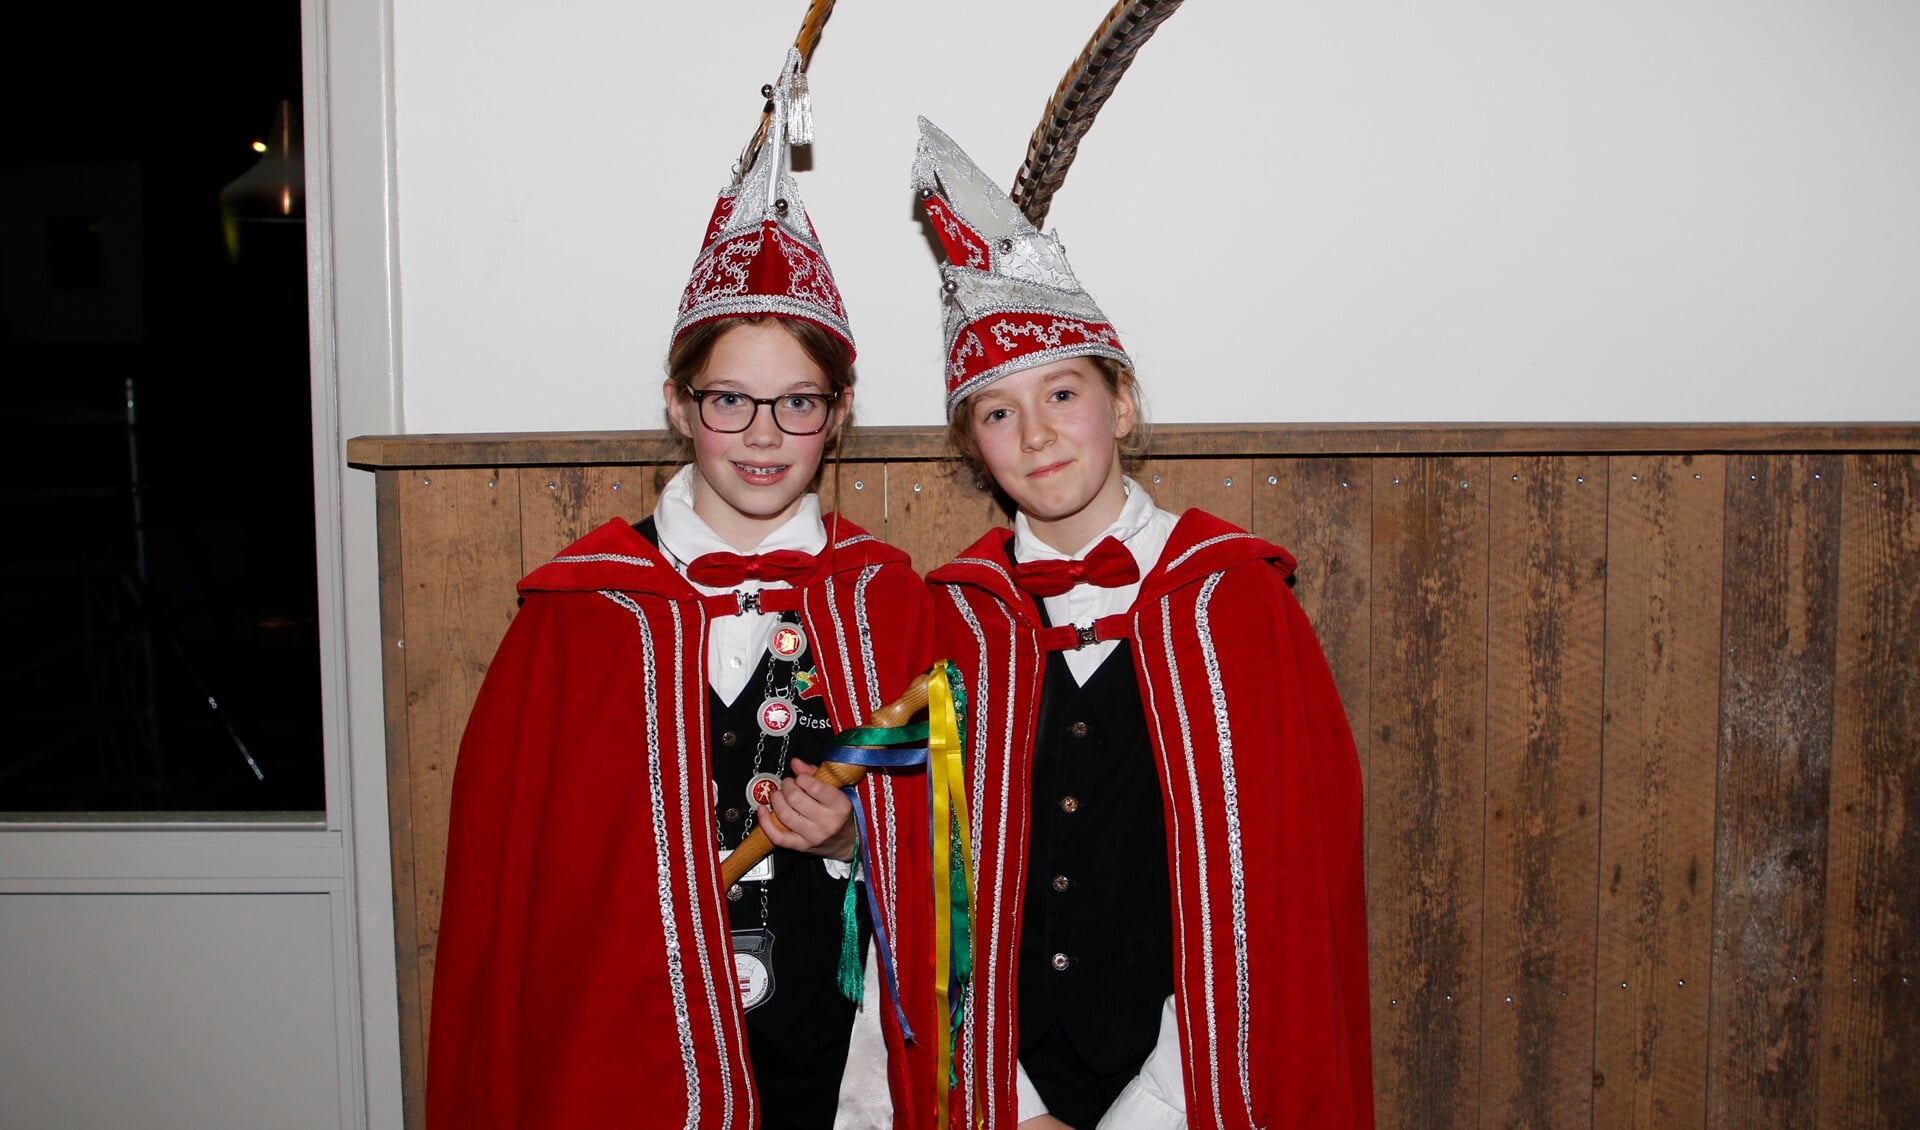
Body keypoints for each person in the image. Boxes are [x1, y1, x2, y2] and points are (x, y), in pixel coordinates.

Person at [425, 53, 935, 1129]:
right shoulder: (581, 614)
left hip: (833, 1072)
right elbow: (522, 905)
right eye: (729, 400)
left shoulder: (881, 602)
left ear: (839, 412)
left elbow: (952, 855)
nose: (763, 436)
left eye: (798, 402)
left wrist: (854, 841)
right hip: (629, 1069)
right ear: (675, 400)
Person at [912, 118, 1376, 1129]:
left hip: (1193, 1085)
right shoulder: (953, 626)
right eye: (996, 412)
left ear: (1121, 406)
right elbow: (923, 888)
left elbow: (1284, 902)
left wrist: (1158, 1106)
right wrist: (1014, 1098)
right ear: (973, 447)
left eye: (1062, 392)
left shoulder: (1234, 602)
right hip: (1006, 1088)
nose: (1034, 433)